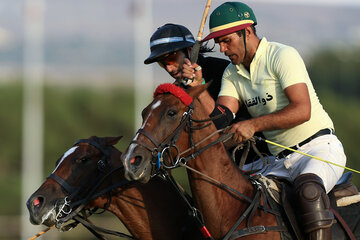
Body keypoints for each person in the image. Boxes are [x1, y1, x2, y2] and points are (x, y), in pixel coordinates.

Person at [188, 2, 347, 239]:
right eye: (218, 42)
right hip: (278, 162)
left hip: (318, 150)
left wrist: (253, 125)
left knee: (310, 191)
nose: (222, 49)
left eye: (226, 40)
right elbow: (221, 118)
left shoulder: (282, 55)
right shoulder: (233, 72)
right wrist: (198, 88)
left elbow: (302, 110)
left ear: (247, 33)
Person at [144, 23, 271, 161]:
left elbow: (222, 122)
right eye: (162, 64)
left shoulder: (225, 71)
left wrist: (199, 86)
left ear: (190, 50)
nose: (169, 69)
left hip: (258, 159)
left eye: (171, 59)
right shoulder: (176, 90)